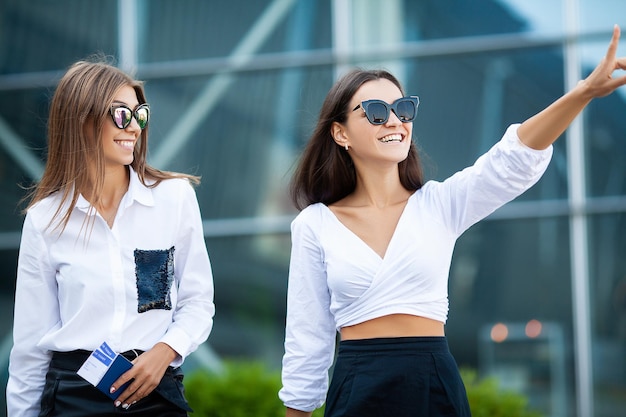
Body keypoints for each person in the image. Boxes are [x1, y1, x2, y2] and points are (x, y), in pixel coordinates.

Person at [279, 25, 626, 417]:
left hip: (433, 384)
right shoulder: (315, 225)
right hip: (357, 385)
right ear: (340, 133)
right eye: (376, 112)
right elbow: (307, 340)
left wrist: (582, 93)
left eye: (403, 108)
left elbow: (510, 160)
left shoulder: (439, 204)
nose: (394, 121)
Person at [6, 57, 215, 416]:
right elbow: (30, 347)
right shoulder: (45, 220)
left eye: (140, 114)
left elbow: (198, 301)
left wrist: (165, 350)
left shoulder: (174, 198)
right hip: (73, 395)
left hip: (155, 391)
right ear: (83, 120)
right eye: (121, 115)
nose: (134, 127)